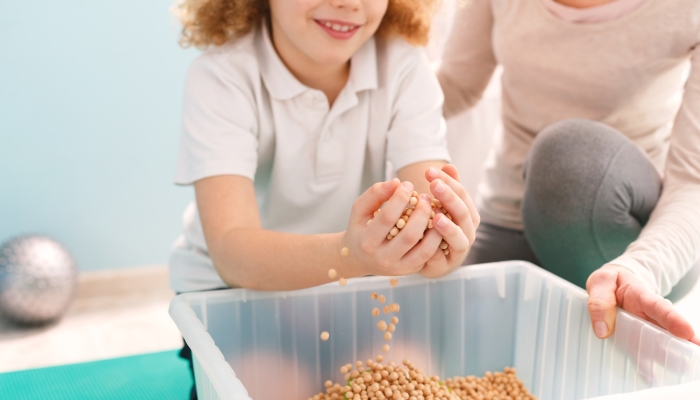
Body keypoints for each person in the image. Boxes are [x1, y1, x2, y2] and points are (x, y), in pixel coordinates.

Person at [170, 0, 478, 397]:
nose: (348, 3)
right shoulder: (222, 76)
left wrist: (439, 246)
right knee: (277, 389)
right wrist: (348, 254)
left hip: (359, 287)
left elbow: (430, 198)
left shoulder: (403, 64)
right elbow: (232, 252)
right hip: (240, 295)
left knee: (406, 386)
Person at [438, 0, 700, 344]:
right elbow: (456, 85)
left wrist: (639, 267)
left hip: (637, 238)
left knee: (567, 154)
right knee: (440, 346)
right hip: (509, 218)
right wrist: (349, 72)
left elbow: (693, 179)